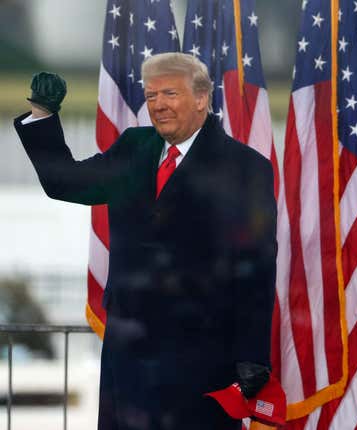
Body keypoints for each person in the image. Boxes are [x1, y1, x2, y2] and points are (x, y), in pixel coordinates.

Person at [14, 53, 277, 430]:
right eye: (151, 96)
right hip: (128, 358)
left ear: (202, 98)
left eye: (170, 93)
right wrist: (43, 114)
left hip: (202, 363)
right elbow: (65, 182)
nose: (158, 105)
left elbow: (257, 268)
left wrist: (253, 358)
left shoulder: (245, 167)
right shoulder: (134, 147)